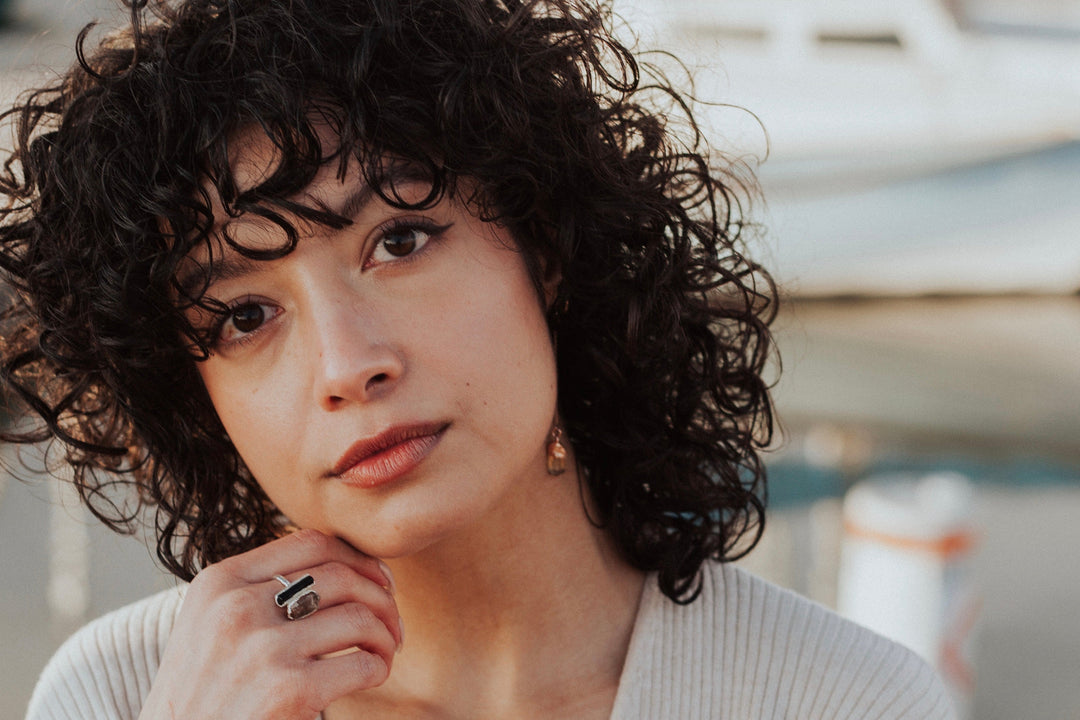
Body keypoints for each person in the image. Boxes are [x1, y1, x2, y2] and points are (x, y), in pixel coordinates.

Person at [0, 0, 953, 718]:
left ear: (545, 248)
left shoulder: (844, 700)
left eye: (401, 243)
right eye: (246, 315)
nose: (346, 366)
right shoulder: (127, 695)